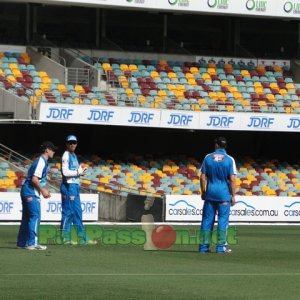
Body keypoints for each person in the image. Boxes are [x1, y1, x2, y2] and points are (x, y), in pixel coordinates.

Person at [17, 141, 58, 250]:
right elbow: (34, 179)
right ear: (47, 150)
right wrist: (43, 190)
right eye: (52, 149)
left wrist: (43, 188)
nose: (54, 151)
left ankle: (22, 243)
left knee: (26, 218)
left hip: (26, 190)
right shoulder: (41, 161)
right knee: (34, 217)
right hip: (31, 191)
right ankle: (32, 243)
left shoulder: (40, 161)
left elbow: (34, 178)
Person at [199, 137, 237, 253]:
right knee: (222, 221)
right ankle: (220, 247)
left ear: (216, 145)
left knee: (207, 220)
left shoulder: (208, 157)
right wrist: (233, 195)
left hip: (210, 193)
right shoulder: (230, 159)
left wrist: (204, 191)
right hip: (224, 194)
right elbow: (232, 179)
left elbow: (202, 176)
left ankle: (203, 247)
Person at [60, 135, 94, 245]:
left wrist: (81, 171)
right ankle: (65, 237)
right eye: (70, 142)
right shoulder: (66, 155)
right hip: (68, 186)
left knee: (78, 213)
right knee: (68, 212)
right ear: (66, 144)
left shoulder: (73, 155)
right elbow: (65, 172)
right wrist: (78, 172)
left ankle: (83, 238)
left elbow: (74, 172)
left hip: (75, 186)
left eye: (74, 142)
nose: (72, 144)